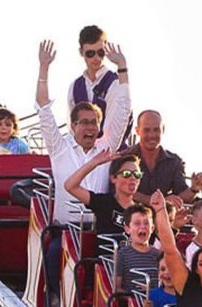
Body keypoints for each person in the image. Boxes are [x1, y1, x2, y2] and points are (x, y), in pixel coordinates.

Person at [36, 39, 131, 225]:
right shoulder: (59, 147)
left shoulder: (106, 148)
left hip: (97, 233)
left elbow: (124, 109)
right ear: (73, 126)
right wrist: (43, 68)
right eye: (84, 123)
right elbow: (43, 109)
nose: (90, 128)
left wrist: (122, 67)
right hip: (63, 233)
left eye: (94, 123)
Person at [68, 25, 132, 146]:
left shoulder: (114, 82)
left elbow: (115, 125)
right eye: (90, 53)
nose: (96, 58)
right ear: (81, 52)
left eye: (100, 52)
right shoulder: (74, 86)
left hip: (110, 151)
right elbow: (72, 128)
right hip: (82, 153)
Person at [63, 150, 140, 251]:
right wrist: (94, 163)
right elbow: (70, 186)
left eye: (137, 175)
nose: (133, 178)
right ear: (113, 178)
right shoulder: (104, 203)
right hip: (107, 263)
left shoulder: (143, 211)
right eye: (127, 174)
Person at [127, 110, 202, 204]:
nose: (152, 135)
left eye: (156, 130)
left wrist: (194, 189)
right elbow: (119, 189)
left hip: (162, 217)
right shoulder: (124, 157)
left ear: (163, 129)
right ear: (137, 130)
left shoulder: (174, 162)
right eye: (147, 130)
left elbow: (181, 197)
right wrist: (155, 201)